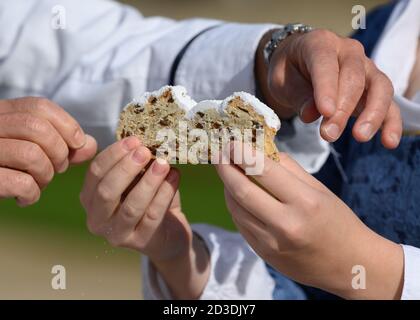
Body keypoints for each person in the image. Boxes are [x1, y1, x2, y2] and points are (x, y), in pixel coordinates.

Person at [0, 0, 401, 299]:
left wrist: (370, 268)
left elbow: (65, 43)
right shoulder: (379, 33)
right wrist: (181, 260)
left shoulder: (377, 36)